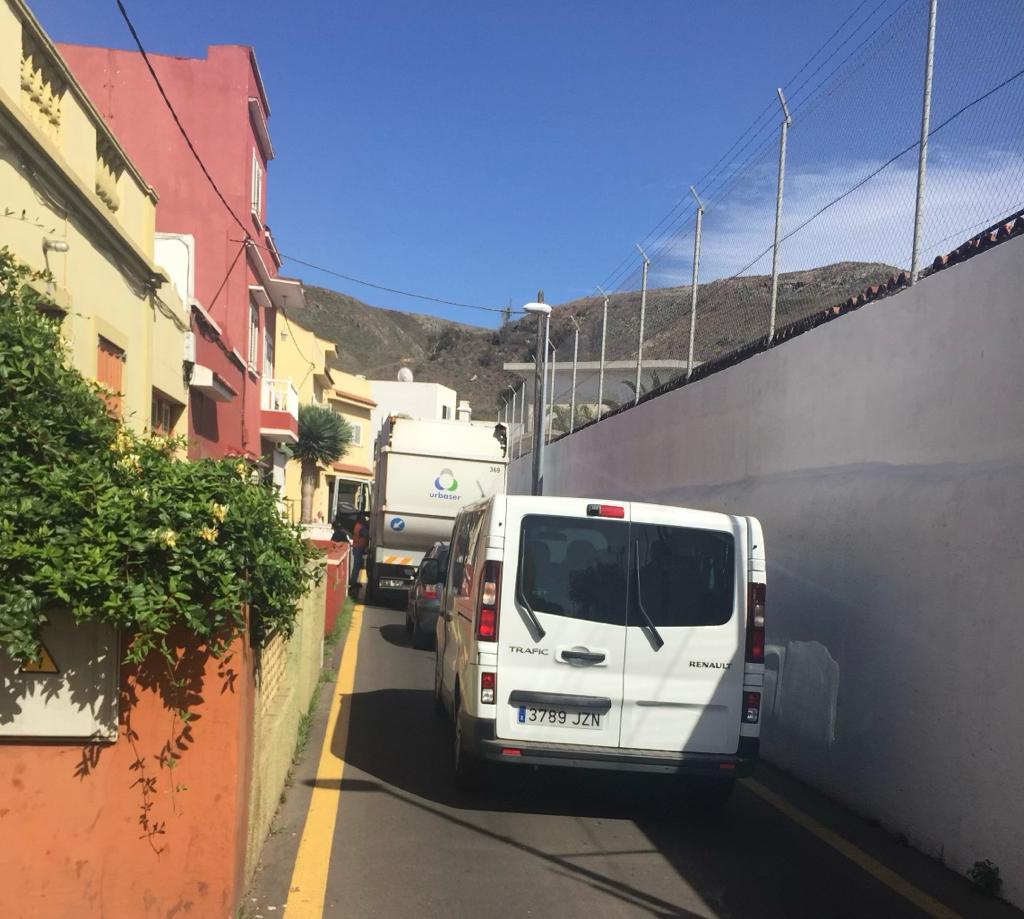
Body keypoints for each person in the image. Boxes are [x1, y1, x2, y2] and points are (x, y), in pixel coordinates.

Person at [349, 513, 368, 592]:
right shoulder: (360, 527)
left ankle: (354, 582)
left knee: (357, 566)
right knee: (356, 566)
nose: (364, 520)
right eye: (363, 518)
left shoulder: (358, 525)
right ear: (360, 519)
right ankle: (353, 583)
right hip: (358, 548)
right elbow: (366, 534)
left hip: (358, 547)